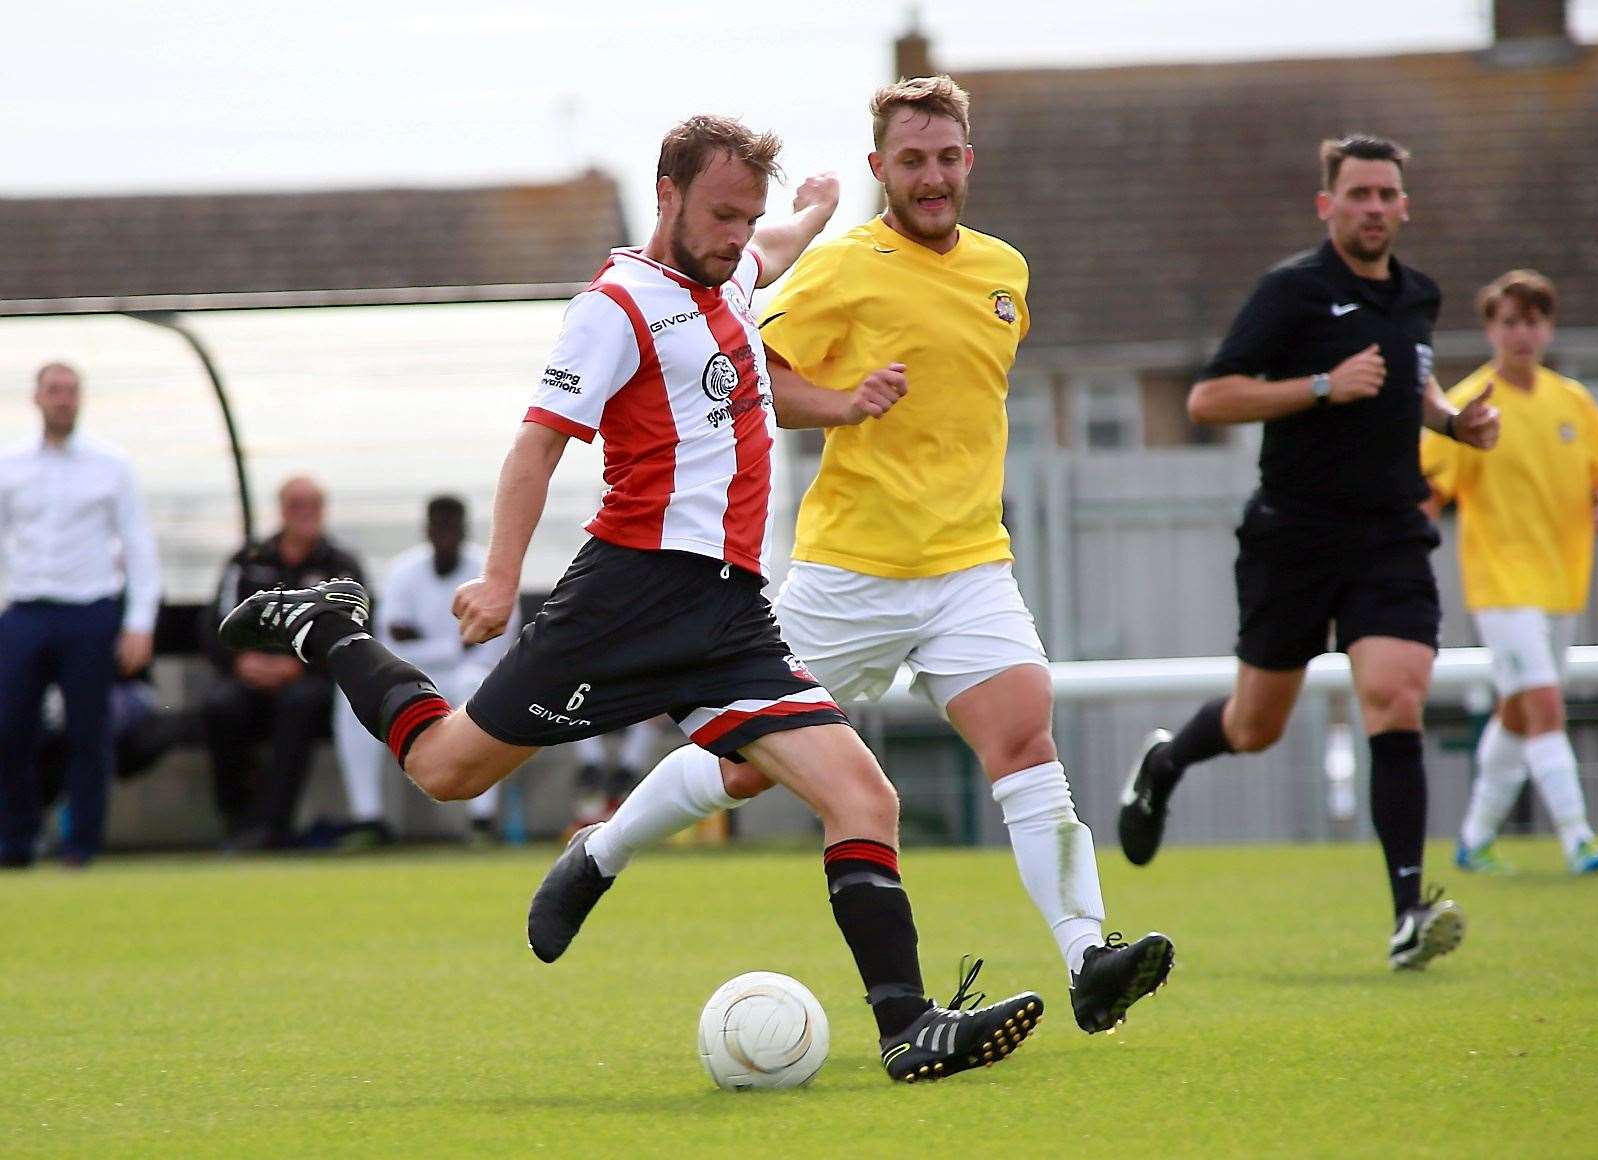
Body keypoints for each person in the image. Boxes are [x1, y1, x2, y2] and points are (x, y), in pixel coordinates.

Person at [217, 115, 1043, 1084]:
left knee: (864, 794)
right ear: (668, 195)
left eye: (748, 216)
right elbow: (537, 446)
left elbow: (770, 252)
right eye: (721, 214)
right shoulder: (613, 306)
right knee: (447, 768)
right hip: (626, 596)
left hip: (732, 614)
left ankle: (906, 1028)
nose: (739, 234)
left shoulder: (733, 265)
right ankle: (327, 625)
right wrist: (496, 574)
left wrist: (811, 213)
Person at [565, 76, 1174, 1035]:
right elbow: (751, 375)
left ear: (966, 162)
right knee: (743, 766)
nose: (930, 178)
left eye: (944, 158)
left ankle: (1087, 955)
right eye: (910, 161)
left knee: (1024, 742)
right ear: (879, 169)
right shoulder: (844, 268)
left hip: (971, 567)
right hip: (847, 573)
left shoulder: (1005, 271)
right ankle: (602, 851)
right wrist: (846, 403)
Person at [1115, 135, 1501, 971]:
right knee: (1256, 725)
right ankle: (1166, 762)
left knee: (1393, 696)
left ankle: (1408, 912)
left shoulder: (1417, 298)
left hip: (1391, 531)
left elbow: (1414, 379)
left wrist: (1451, 422)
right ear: (1328, 206)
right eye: (1355, 193)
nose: (1371, 207)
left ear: (1404, 207)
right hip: (1293, 532)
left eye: (1384, 194)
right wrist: (1322, 386)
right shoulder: (1292, 293)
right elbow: (1209, 397)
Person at [1422, 270, 1598, 876]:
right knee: (1542, 705)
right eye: (1509, 321)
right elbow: (1430, 489)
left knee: (1519, 713)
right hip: (1502, 584)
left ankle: (1474, 839)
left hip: (1561, 583)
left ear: (1549, 328)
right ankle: (1579, 838)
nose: (1522, 333)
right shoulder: (1468, 407)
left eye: (1533, 320)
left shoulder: (1572, 401)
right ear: (1490, 328)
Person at [0, 362, 161, 868]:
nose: (63, 399)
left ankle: (82, 844)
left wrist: (140, 622)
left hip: (89, 611)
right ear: (37, 397)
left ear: (81, 399)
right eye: (54, 390)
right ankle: (15, 841)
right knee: (11, 728)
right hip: (25, 611)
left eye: (70, 391)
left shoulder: (111, 465)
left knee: (89, 732)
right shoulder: (10, 464)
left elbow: (137, 544)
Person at [339, 495, 518, 845]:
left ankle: (481, 820)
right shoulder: (403, 571)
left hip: (473, 674)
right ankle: (368, 818)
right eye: (439, 525)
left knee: (476, 685)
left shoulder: (489, 571)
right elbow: (395, 642)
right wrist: (456, 642)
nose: (445, 534)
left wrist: (429, 642)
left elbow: (491, 644)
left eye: (453, 525)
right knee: (348, 698)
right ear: (427, 529)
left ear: (465, 529)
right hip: (414, 677)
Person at [202, 476, 366, 850]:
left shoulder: (340, 564)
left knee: (300, 704)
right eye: (296, 504)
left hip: (310, 677)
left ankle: (275, 825)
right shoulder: (248, 560)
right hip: (249, 674)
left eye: (313, 504)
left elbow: (356, 629)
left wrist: (300, 667)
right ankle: (238, 821)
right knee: (219, 707)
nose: (305, 513)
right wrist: (240, 662)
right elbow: (215, 624)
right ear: (281, 509)